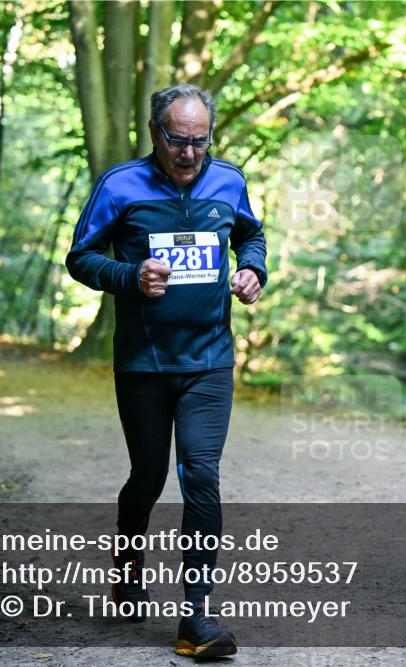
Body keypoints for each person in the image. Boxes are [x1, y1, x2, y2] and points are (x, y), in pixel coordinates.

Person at [65, 83, 267, 659]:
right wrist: (130, 276)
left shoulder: (228, 181)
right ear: (156, 132)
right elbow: (80, 256)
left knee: (201, 476)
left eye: (201, 142)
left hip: (209, 362)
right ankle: (128, 570)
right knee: (148, 478)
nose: (189, 155)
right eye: (178, 141)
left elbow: (251, 235)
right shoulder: (120, 186)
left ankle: (196, 615)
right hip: (144, 365)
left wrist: (254, 270)